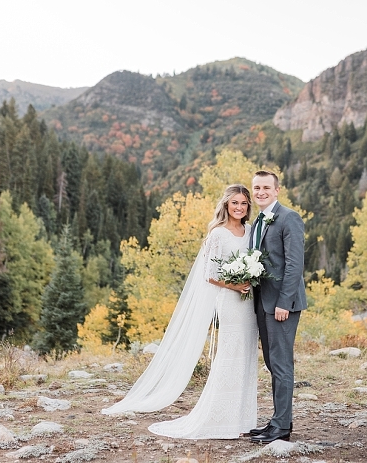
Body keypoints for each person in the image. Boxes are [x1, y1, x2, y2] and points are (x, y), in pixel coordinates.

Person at [102, 184, 259, 440]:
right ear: (226, 206)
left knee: (247, 356)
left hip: (249, 304)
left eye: (243, 203)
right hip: (230, 301)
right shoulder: (217, 234)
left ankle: (243, 419)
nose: (239, 208)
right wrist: (234, 285)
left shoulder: (250, 230)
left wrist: (251, 277)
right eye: (235, 203)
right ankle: (220, 417)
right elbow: (209, 274)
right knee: (229, 355)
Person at [247, 170, 307, 444]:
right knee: (273, 364)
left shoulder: (288, 217)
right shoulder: (258, 221)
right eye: (257, 187)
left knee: (282, 365)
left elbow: (295, 264)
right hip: (263, 302)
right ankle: (278, 420)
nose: (261, 192)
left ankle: (281, 427)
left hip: (282, 304)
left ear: (277, 190)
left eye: (266, 187)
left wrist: (284, 302)